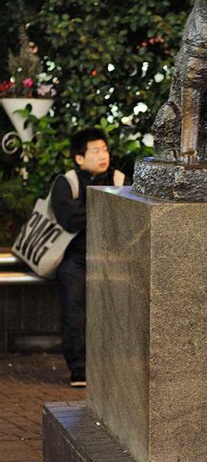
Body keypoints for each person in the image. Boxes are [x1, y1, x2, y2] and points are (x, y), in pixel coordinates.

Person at [51, 128, 128, 387]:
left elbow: (128, 219)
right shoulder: (67, 181)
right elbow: (69, 220)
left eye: (104, 149)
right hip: (77, 257)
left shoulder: (119, 179)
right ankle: (79, 368)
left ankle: (119, 366)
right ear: (79, 158)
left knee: (127, 304)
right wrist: (108, 213)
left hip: (114, 257)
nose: (102, 155)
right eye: (95, 151)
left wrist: (89, 213)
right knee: (74, 303)